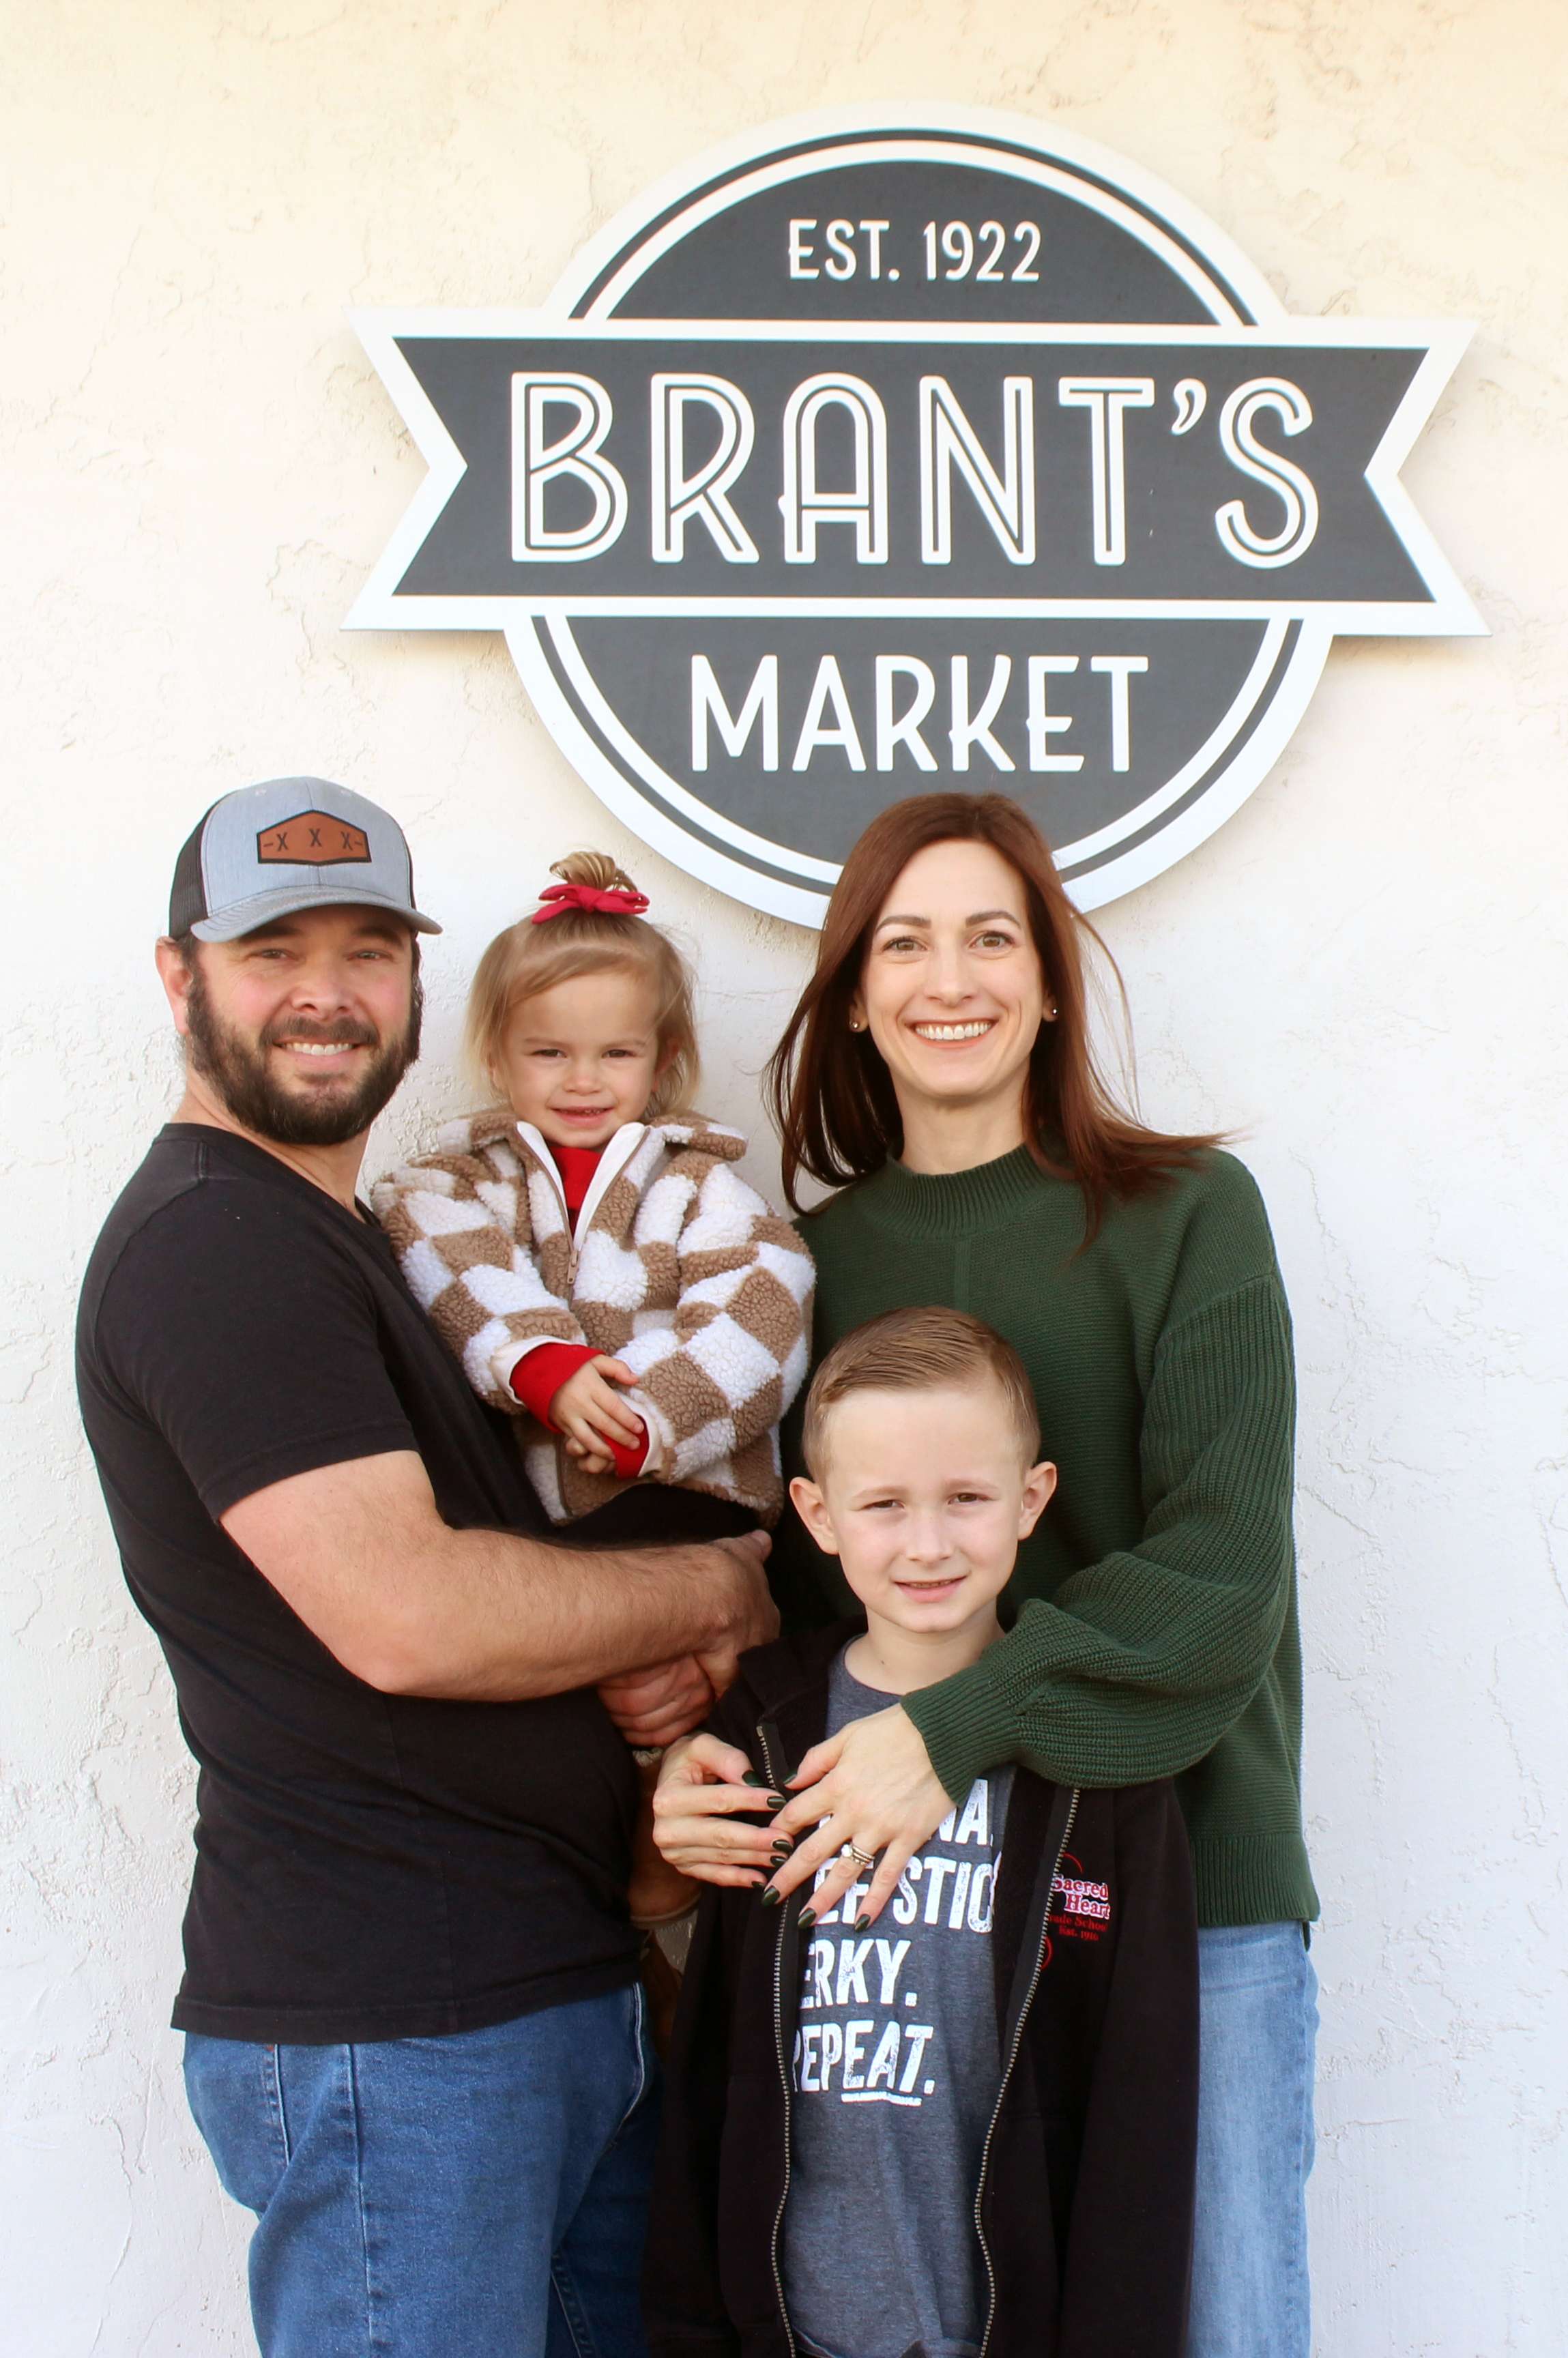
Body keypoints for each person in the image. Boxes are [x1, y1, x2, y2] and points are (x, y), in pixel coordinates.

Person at [74, 778, 775, 2358]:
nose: (326, 993)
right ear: (181, 979)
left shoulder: (374, 1243)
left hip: (534, 1998)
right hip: (400, 2031)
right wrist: (721, 1591)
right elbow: (411, 1614)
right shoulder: (217, 1244)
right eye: (271, 951)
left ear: (409, 988)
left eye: (368, 948)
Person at [653, 791, 1320, 2358]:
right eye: (905, 942)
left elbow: (1223, 1573)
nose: (951, 978)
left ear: (1050, 977)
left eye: (992, 936)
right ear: (854, 992)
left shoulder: (1185, 1219)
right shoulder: (801, 1262)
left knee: (1209, 2326)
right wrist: (700, 1773)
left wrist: (954, 1730)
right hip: (911, 1913)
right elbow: (805, 1588)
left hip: (1188, 1898)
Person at [645, 1306, 1199, 2358]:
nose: (928, 1544)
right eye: (884, 1505)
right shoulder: (763, 1734)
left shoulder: (1102, 1760)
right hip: (792, 2323)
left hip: (1006, 2323)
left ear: (1031, 1499)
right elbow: (710, 2064)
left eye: (966, 1500)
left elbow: (1142, 2108)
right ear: (815, 1515)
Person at [373, 849, 813, 1923]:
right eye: (549, 1052)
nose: (582, 1080)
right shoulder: (456, 1186)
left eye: (615, 1052)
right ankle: (610, 1904)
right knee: (566, 1697)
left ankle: (669, 1887)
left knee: (681, 1702)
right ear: (497, 1055)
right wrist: (545, 1367)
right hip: (540, 1530)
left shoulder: (701, 1191)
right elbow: (442, 1261)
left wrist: (648, 1420)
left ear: (663, 1060)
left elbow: (766, 1312)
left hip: (682, 1507)